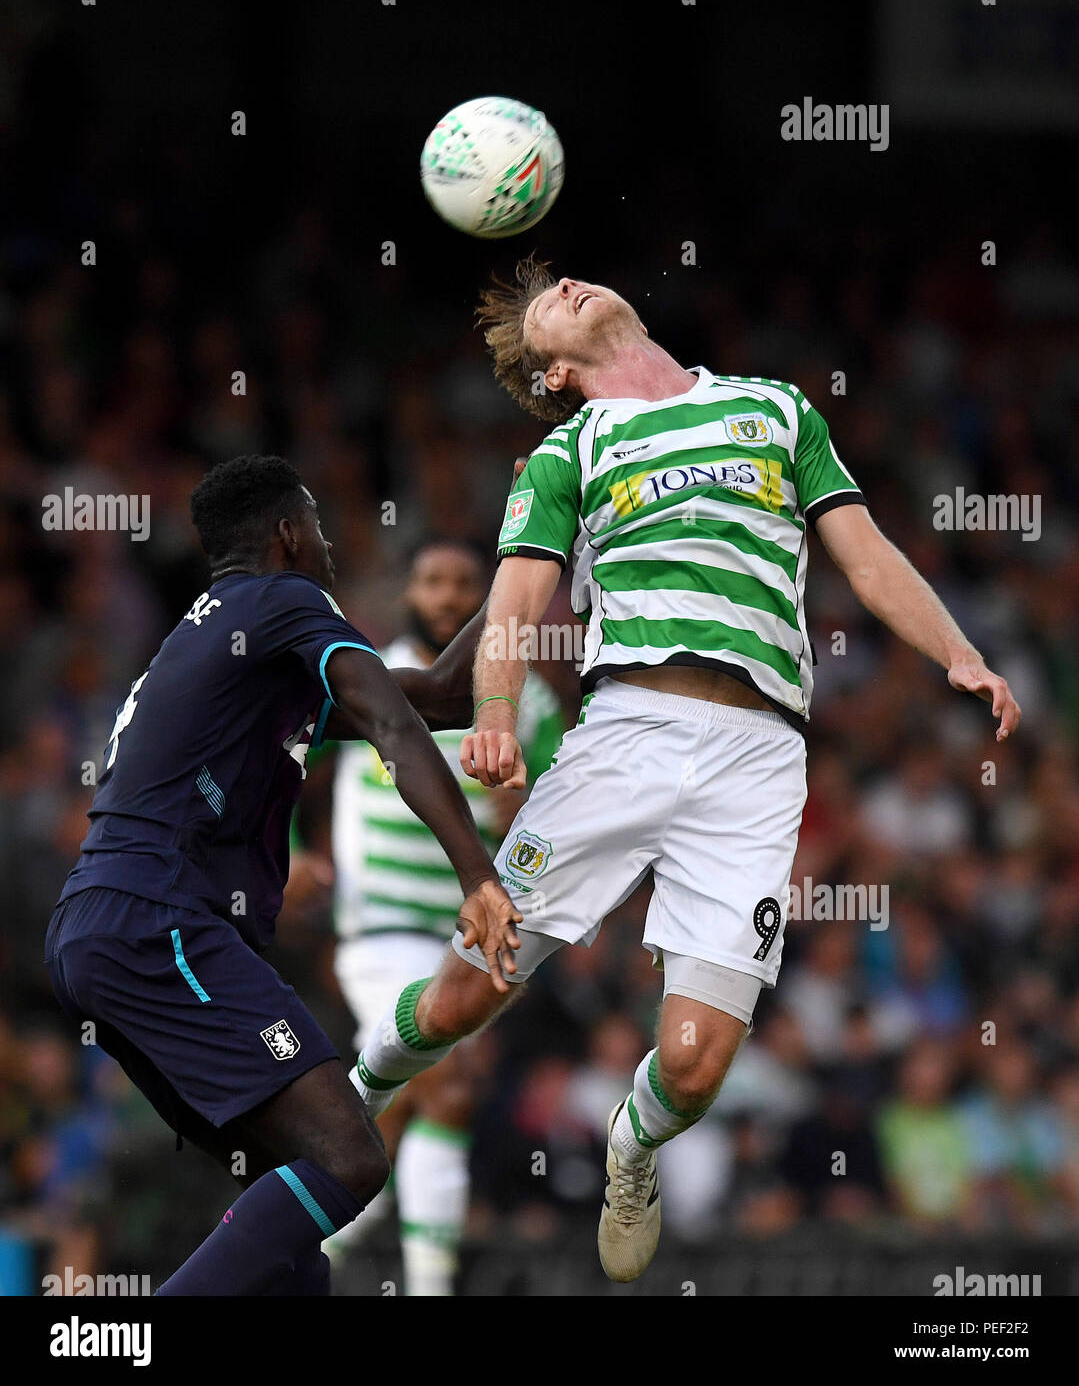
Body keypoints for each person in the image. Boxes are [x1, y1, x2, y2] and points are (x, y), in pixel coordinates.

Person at [352, 260, 1022, 1282]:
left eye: (567, 279)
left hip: (758, 759)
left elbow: (868, 555)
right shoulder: (569, 449)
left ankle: (632, 1143)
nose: (569, 284)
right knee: (455, 1006)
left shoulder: (772, 410)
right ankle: (354, 1093)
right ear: (552, 375)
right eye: (547, 307)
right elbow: (517, 605)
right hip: (625, 733)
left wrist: (957, 652)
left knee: (699, 1068)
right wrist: (492, 713)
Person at [43, 454, 521, 1296]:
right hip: (159, 921)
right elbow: (395, 733)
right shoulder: (285, 602)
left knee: (297, 1225)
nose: (331, 546)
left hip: (108, 928)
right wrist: (478, 875)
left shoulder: (228, 642)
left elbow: (438, 699)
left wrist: (530, 545)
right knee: (349, 1157)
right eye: (320, 527)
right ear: (288, 536)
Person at [323, 536, 563, 1294]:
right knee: (444, 1086)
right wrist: (293, 854)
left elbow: (568, 809)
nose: (451, 595)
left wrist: (526, 806)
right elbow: (292, 766)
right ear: (409, 592)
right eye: (434, 581)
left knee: (427, 1102)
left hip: (470, 931)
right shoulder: (369, 674)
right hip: (382, 925)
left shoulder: (536, 700)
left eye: (466, 583)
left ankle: (306, 1252)